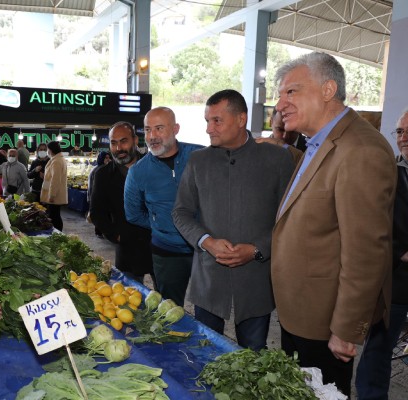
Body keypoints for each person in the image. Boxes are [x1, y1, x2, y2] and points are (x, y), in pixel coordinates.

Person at [271, 52, 395, 396]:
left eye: (291, 92)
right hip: (302, 311)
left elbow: (367, 250)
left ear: (328, 89)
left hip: (326, 324)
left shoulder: (360, 150)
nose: (280, 103)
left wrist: (346, 329)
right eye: (281, 95)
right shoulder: (318, 142)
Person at [171, 89, 294, 351]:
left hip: (256, 281)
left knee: (253, 359)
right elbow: (180, 212)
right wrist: (206, 241)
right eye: (207, 121)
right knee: (205, 353)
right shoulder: (198, 161)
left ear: (241, 119)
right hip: (208, 280)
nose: (208, 129)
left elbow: (289, 220)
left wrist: (258, 249)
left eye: (217, 121)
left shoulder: (278, 159)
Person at [124, 107, 202, 306]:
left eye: (159, 128)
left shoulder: (200, 156)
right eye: (148, 130)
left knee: (208, 309)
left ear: (176, 129)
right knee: (170, 308)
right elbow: (133, 214)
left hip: (204, 249)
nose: (152, 136)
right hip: (166, 252)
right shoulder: (138, 172)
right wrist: (160, 223)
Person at [355, 108, 408, 399]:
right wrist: (400, 252)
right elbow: (370, 222)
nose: (403, 137)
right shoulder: (387, 174)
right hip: (393, 283)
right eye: (400, 131)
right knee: (378, 353)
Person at [90, 122, 153, 284]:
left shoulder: (155, 167)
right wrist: (115, 235)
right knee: (130, 300)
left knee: (168, 301)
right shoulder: (103, 175)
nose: (119, 148)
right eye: (113, 143)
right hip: (127, 247)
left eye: (123, 141)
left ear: (135, 140)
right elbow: (97, 212)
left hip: (159, 245)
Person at [40, 141, 68, 231]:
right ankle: (57, 232)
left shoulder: (56, 161)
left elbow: (55, 180)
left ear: (50, 150)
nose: (47, 151)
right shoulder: (57, 159)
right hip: (55, 193)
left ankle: (58, 232)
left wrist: (52, 195)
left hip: (54, 194)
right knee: (55, 214)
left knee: (54, 216)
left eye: (47, 149)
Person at [86, 151, 112, 237]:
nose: (108, 160)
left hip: (108, 197)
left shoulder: (110, 169)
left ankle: (107, 231)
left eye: (109, 158)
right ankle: (98, 232)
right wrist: (90, 198)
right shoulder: (95, 170)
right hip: (97, 197)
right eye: (106, 158)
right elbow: (90, 185)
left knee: (107, 215)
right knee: (99, 215)